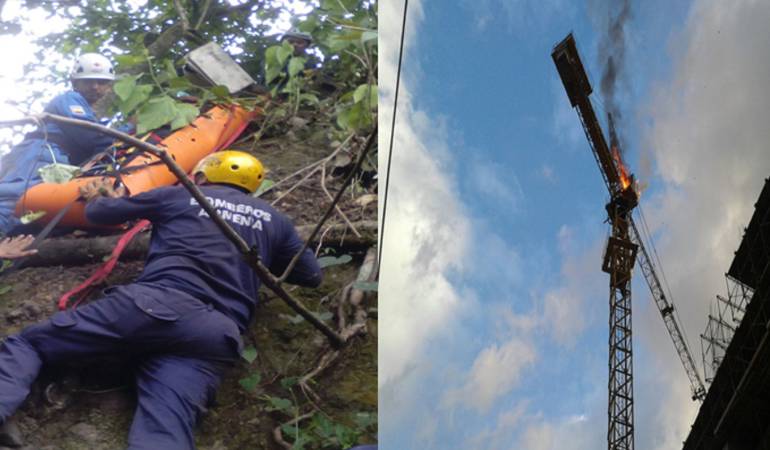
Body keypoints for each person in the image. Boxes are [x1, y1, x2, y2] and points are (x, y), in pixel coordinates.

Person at [0, 150, 323, 449]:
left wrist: (98, 196)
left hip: (152, 304)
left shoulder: (180, 194)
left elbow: (102, 213)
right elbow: (311, 276)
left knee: (30, 344)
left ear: (200, 176)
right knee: (166, 426)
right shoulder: (276, 220)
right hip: (215, 334)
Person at [0, 53, 118, 234]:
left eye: (101, 82)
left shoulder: (87, 112)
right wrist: (129, 132)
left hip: (49, 157)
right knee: (13, 198)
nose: (95, 86)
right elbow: (90, 135)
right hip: (38, 153)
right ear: (75, 82)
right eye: (88, 81)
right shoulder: (69, 100)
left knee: (31, 206)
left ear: (109, 87)